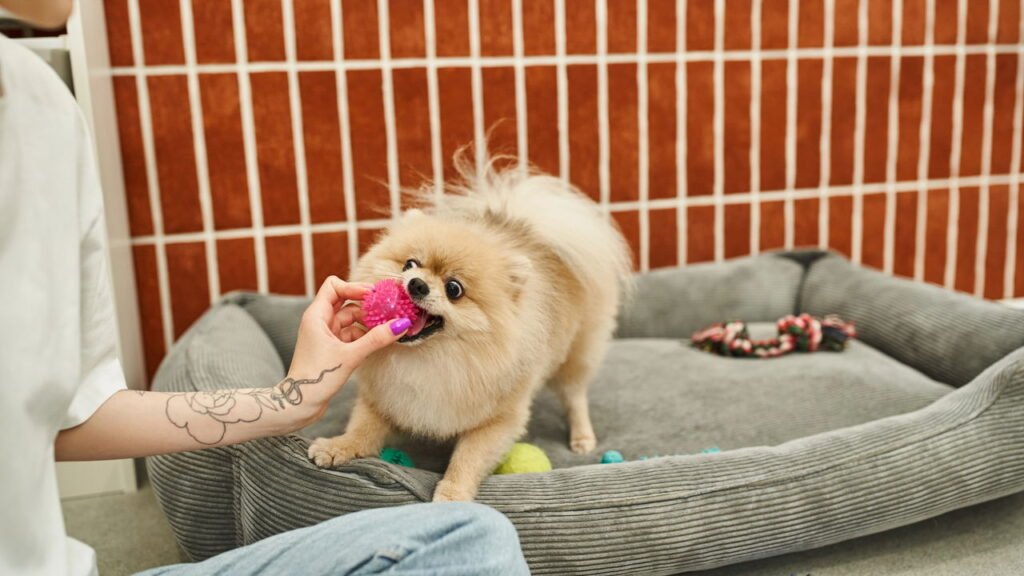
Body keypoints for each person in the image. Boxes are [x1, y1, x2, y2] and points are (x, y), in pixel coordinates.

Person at [0, 2, 530, 575]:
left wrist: (291, 399)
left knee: (477, 538)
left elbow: (71, 415)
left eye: (453, 288)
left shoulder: (46, 106)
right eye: (413, 266)